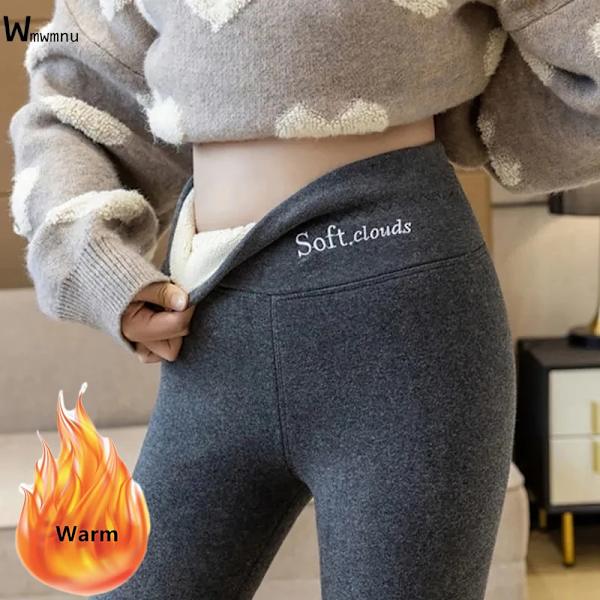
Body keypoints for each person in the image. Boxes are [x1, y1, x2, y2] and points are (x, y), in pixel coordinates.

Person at [8, 1, 599, 598]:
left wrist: (458, 99)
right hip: (213, 334)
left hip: (404, 328)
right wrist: (99, 267)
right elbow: (70, 97)